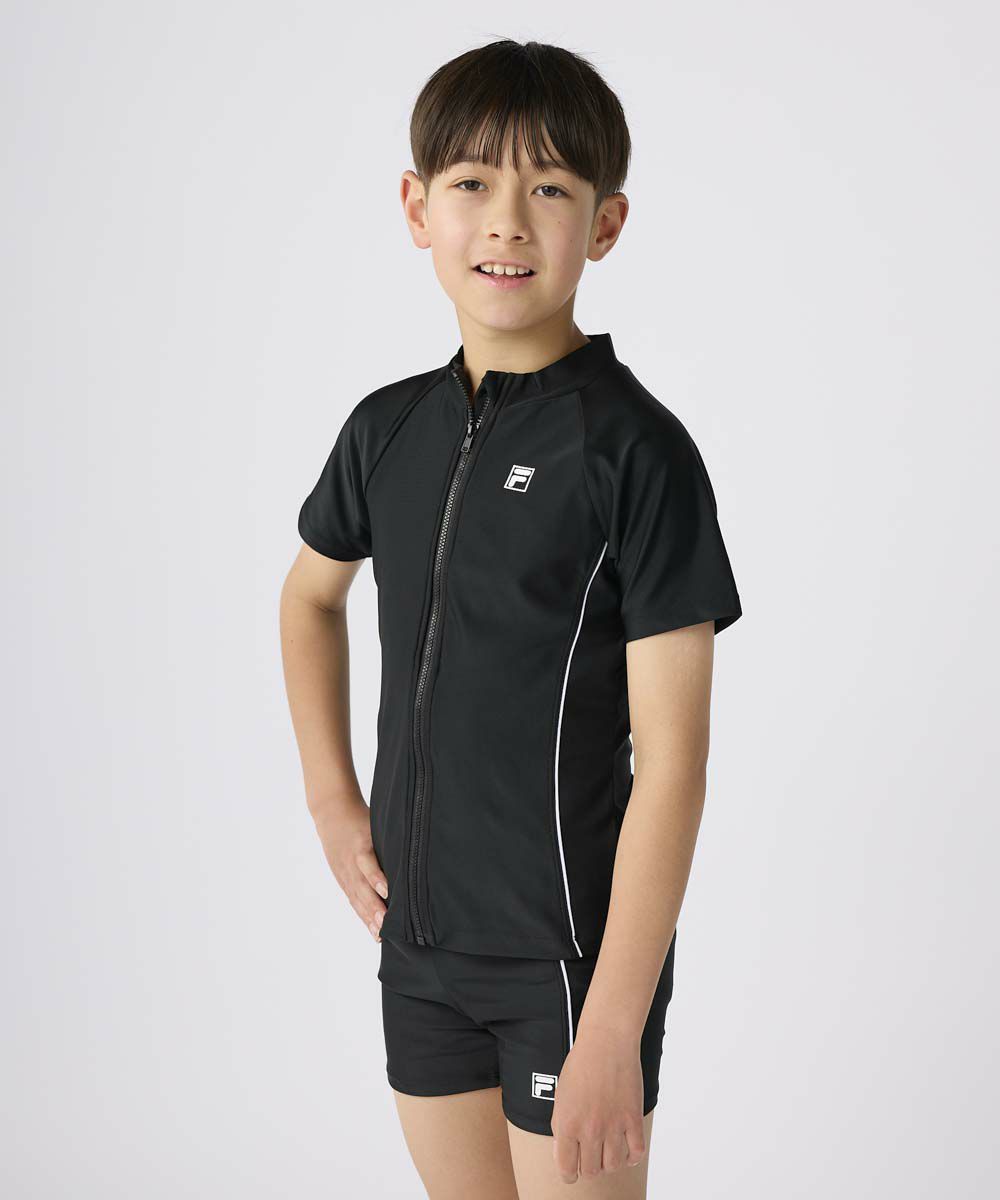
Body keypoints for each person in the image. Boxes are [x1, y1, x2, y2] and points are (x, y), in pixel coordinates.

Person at [280, 38, 742, 1198]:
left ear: (605, 223)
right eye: (472, 183)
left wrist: (612, 1029)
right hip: (419, 954)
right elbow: (309, 597)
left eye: (548, 190)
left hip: (567, 966)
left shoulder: (634, 453)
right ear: (416, 206)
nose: (505, 223)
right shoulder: (387, 431)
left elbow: (674, 765)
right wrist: (333, 800)